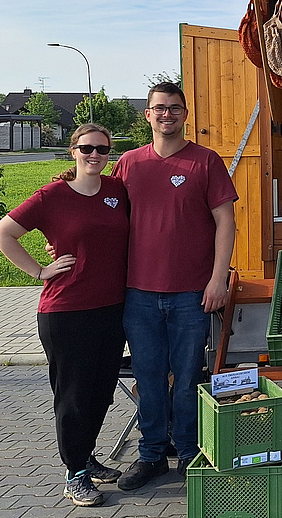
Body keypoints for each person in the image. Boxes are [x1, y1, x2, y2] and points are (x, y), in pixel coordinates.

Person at [0, 124, 128, 507]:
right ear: (74, 151)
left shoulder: (117, 191)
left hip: (111, 309)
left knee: (101, 392)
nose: (94, 155)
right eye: (87, 148)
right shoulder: (52, 196)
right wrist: (38, 271)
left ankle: (85, 457)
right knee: (73, 395)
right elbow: (2, 234)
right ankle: (74, 474)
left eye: (102, 149)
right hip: (67, 312)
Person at [113, 82, 237, 491]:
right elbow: (103, 220)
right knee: (148, 377)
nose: (167, 114)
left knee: (186, 378)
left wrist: (218, 279)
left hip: (190, 293)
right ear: (147, 114)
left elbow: (225, 222)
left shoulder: (205, 161)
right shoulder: (129, 163)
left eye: (175, 109)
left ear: (186, 115)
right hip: (138, 293)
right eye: (159, 108)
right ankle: (151, 455)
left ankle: (187, 451)